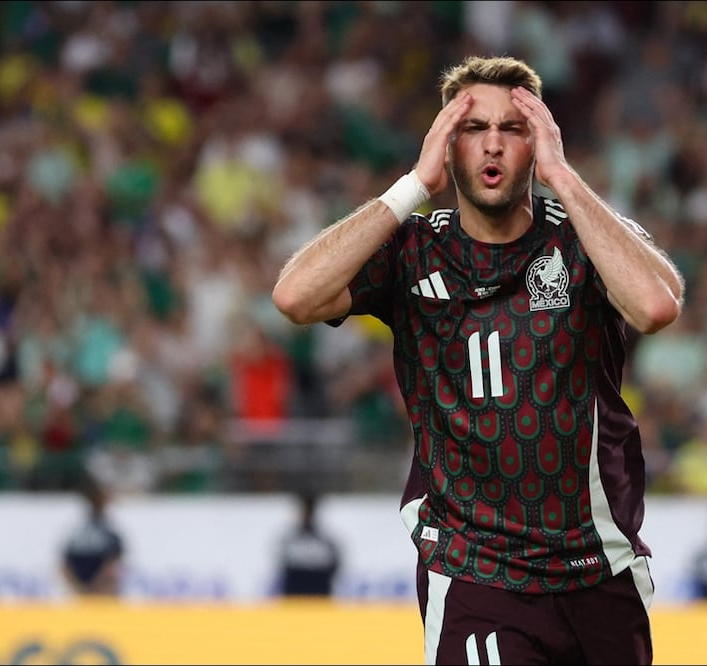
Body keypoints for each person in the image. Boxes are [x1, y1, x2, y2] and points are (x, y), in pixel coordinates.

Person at [273, 55, 684, 665]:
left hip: (599, 567)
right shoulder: (412, 252)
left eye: (512, 130)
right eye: (474, 128)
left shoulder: (581, 237)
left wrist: (564, 179)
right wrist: (411, 185)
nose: (493, 145)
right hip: (477, 571)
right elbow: (293, 295)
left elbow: (656, 305)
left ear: (539, 142)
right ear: (446, 143)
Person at [61, 478, 125, 597]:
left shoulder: (80, 532)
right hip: (92, 588)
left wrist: (82, 587)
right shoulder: (103, 533)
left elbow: (65, 565)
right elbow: (113, 564)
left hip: (89, 587)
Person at [277, 490, 341, 597]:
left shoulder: (324, 541)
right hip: (295, 600)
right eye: (304, 511)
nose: (306, 515)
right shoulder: (291, 541)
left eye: (308, 511)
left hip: (318, 600)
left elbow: (334, 566)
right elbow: (284, 567)